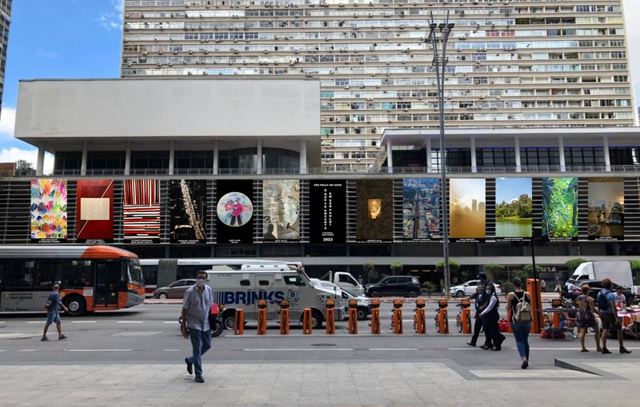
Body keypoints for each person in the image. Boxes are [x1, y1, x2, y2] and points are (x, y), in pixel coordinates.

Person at [181, 271, 214, 383]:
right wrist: (184, 326)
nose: (201, 279)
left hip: (206, 323)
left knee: (207, 345)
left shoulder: (208, 290)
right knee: (197, 348)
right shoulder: (190, 292)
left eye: (203, 278)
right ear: (196, 278)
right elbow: (184, 309)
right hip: (194, 323)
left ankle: (190, 360)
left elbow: (210, 305)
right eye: (199, 277)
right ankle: (198, 374)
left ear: (206, 279)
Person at [597, 278, 631, 354]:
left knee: (605, 329)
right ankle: (621, 347)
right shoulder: (610, 294)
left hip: (602, 313)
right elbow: (613, 306)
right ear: (610, 285)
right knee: (619, 329)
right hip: (609, 313)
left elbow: (598, 304)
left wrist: (599, 313)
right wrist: (616, 318)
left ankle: (604, 347)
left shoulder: (599, 293)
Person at [506, 277, 531, 369]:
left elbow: (508, 308)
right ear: (521, 284)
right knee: (525, 340)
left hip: (515, 320)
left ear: (513, 284)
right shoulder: (527, 294)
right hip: (527, 320)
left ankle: (523, 358)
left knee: (519, 340)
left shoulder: (511, 295)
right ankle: (527, 359)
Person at [479, 282, 505, 351]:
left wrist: (482, 313)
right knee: (487, 330)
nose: (487, 290)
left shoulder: (493, 297)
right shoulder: (489, 296)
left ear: (492, 289)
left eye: (489, 289)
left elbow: (489, 307)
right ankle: (489, 344)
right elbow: (487, 305)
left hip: (493, 316)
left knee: (493, 331)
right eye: (487, 288)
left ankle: (497, 344)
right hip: (489, 315)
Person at [576, 284, 601, 353]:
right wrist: (598, 314)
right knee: (596, 329)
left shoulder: (578, 298)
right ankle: (598, 346)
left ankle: (583, 347)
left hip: (581, 315)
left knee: (582, 331)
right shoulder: (589, 298)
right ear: (587, 291)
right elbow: (592, 308)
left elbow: (578, 305)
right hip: (588, 315)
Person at [467, 283, 485, 347]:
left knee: (487, 330)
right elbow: (471, 296)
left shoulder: (485, 295)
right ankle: (473, 342)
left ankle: (494, 341)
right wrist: (468, 298)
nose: (478, 289)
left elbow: (486, 304)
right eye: (478, 288)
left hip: (483, 314)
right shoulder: (477, 294)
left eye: (480, 288)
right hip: (478, 314)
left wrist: (482, 308)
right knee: (476, 329)